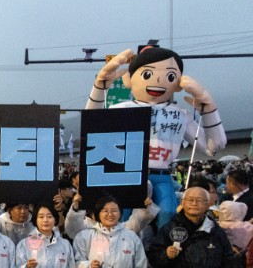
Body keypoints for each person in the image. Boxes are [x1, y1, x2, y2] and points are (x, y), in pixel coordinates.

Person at [86, 46, 227, 228]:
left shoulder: (179, 114)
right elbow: (91, 125)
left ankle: (163, 251)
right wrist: (99, 86)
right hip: (129, 174)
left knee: (168, 213)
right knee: (123, 214)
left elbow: (213, 146)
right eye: (147, 75)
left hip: (162, 174)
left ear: (177, 83)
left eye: (169, 77)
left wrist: (209, 108)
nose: (158, 81)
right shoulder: (122, 109)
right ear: (129, 80)